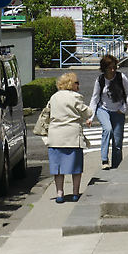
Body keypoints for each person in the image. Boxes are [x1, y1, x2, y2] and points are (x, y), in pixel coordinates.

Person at [34, 71, 92, 203]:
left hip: (55, 137)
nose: (79, 85)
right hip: (72, 137)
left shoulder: (54, 97)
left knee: (58, 168)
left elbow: (47, 113)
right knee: (76, 167)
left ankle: (59, 194)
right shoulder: (76, 97)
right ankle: (75, 193)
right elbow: (87, 112)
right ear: (71, 84)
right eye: (77, 82)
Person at [89, 54, 128, 169]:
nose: (112, 70)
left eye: (114, 67)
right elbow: (95, 98)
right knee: (107, 129)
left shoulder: (121, 77)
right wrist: (90, 116)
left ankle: (117, 166)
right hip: (103, 109)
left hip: (118, 111)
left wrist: (123, 108)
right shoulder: (100, 80)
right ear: (104, 68)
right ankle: (104, 160)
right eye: (109, 68)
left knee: (117, 142)